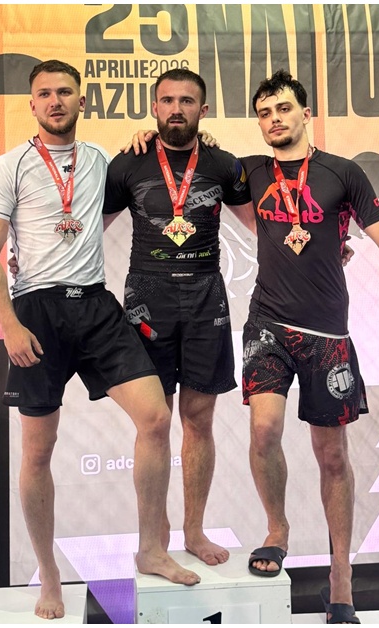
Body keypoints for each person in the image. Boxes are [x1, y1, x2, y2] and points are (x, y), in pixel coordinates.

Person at [0, 59, 200, 620]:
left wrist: (154, 136)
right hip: (35, 311)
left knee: (155, 417)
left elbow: (165, 162)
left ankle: (151, 549)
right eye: (44, 93)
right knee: (37, 450)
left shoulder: (102, 161)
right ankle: (48, 576)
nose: (55, 101)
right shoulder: (9, 166)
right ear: (32, 104)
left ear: (81, 100)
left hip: (95, 304)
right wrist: (9, 324)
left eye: (65, 92)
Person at [239, 70, 379, 623]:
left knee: (332, 456)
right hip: (267, 323)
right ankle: (277, 529)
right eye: (263, 112)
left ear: (306, 114)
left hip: (327, 333)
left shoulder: (341, 173)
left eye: (282, 108)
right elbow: (187, 161)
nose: (273, 119)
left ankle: (341, 577)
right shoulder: (249, 172)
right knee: (264, 429)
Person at [101, 69, 255, 568]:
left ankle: (193, 530)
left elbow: (263, 227)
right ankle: (153, 538)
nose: (176, 109)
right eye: (166, 100)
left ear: (203, 110)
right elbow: (87, 231)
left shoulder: (224, 164)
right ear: (154, 108)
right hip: (147, 298)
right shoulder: (129, 162)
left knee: (199, 418)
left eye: (187, 101)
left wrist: (323, 249)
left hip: (206, 298)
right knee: (153, 422)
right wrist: (30, 257)